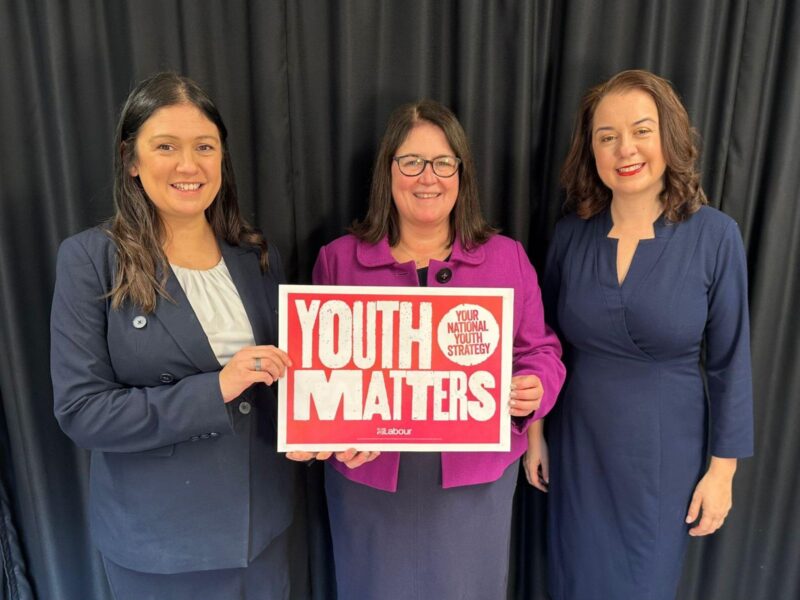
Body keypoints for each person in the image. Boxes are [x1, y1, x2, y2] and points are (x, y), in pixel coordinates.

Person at [50, 72, 301, 599]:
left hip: (262, 535)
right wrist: (215, 389)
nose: (189, 165)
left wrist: (319, 433)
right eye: (166, 146)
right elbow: (83, 412)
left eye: (204, 147)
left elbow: (283, 383)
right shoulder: (91, 261)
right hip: (162, 544)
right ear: (132, 160)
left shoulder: (257, 256)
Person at [307, 99, 565, 599]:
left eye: (444, 162)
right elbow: (317, 375)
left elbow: (541, 352)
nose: (429, 177)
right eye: (411, 162)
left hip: (474, 486)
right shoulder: (338, 260)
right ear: (388, 171)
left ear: (462, 173)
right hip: (369, 483)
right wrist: (328, 429)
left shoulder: (506, 258)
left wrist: (536, 389)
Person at [524, 69, 754, 600]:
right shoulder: (569, 235)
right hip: (577, 447)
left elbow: (730, 363)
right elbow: (543, 343)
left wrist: (722, 475)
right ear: (592, 151)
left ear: (668, 138)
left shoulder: (715, 236)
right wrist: (534, 434)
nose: (625, 148)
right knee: (573, 581)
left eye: (640, 130)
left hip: (663, 454)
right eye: (607, 137)